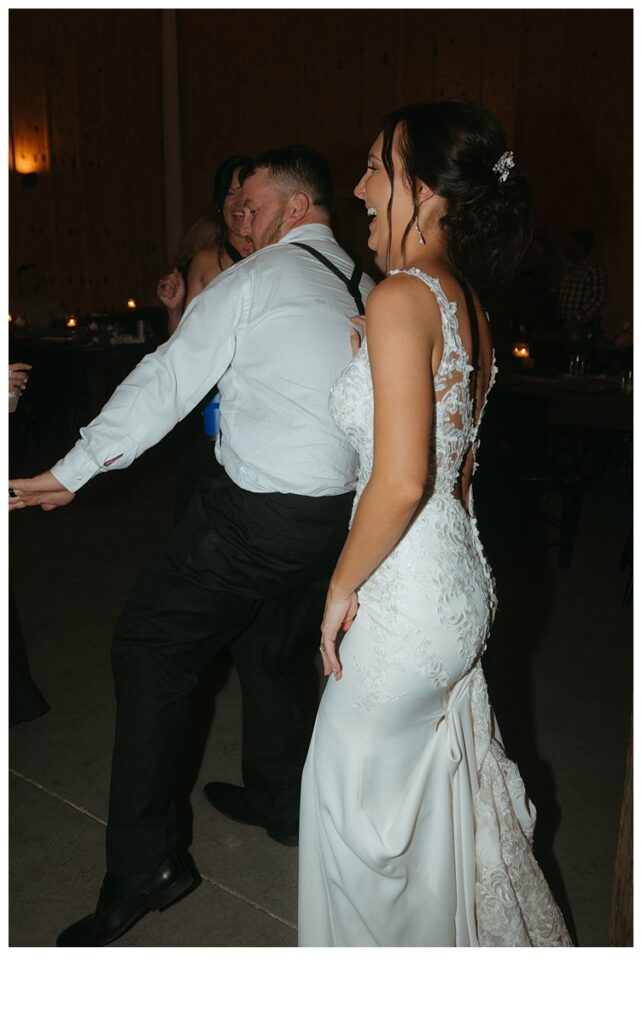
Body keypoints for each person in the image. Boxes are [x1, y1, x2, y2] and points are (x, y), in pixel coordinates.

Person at [9, 144, 374, 947]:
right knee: (273, 647)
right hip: (340, 526)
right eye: (234, 209)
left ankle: (145, 867)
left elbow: (171, 375)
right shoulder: (367, 283)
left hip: (258, 517)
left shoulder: (259, 279)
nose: (238, 222)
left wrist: (76, 468)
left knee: (150, 646)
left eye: (251, 206)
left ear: (297, 208)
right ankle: (281, 798)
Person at [298, 100, 573, 947]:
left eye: (378, 168)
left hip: (401, 602)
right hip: (457, 587)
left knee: (346, 815)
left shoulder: (400, 297)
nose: (359, 186)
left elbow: (406, 477)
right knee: (415, 822)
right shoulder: (466, 305)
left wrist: (340, 589)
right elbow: (452, 472)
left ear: (425, 189)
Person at [156, 155, 256, 520]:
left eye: (248, 193)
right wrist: (174, 309)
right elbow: (183, 348)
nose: (241, 202)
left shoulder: (280, 259)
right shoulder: (204, 262)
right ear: (219, 202)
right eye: (231, 193)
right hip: (209, 410)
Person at [557, 228, 608, 336]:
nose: (567, 246)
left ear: (580, 246)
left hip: (582, 328)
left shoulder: (593, 269)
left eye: (571, 243)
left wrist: (576, 319)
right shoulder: (569, 269)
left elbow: (598, 299)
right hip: (564, 325)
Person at [11, 264, 65, 331]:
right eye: (34, 276)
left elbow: (61, 320)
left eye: (38, 276)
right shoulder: (12, 304)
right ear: (22, 279)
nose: (38, 279)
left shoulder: (50, 302)